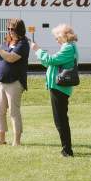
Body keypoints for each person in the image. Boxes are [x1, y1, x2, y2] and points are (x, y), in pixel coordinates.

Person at [31, 24, 78, 157]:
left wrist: (38, 50)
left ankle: (67, 150)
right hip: (58, 87)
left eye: (57, 36)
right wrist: (41, 55)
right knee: (61, 119)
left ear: (64, 36)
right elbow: (50, 62)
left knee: (60, 120)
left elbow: (51, 60)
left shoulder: (68, 48)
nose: (55, 39)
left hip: (60, 87)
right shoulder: (67, 47)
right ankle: (66, 148)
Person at [0, 18, 29, 146]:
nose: (10, 31)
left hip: (15, 82)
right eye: (8, 29)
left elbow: (11, 58)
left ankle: (16, 141)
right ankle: (1, 139)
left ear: (19, 30)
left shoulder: (23, 44)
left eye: (12, 29)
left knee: (14, 111)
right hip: (2, 81)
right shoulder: (7, 41)